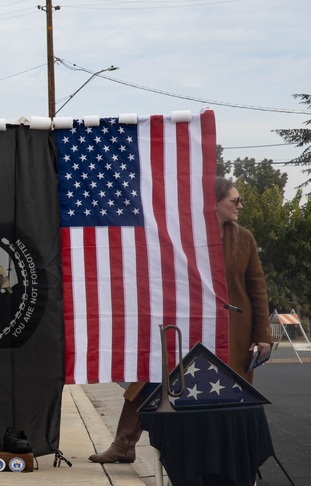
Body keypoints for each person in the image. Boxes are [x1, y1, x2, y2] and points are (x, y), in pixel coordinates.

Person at [89, 176, 273, 464]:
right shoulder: (186, 236)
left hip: (231, 330)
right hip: (186, 324)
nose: (240, 205)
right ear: (213, 204)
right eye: (234, 200)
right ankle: (124, 444)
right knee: (150, 380)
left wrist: (262, 334)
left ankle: (221, 461)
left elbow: (257, 289)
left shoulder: (244, 238)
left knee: (222, 394)